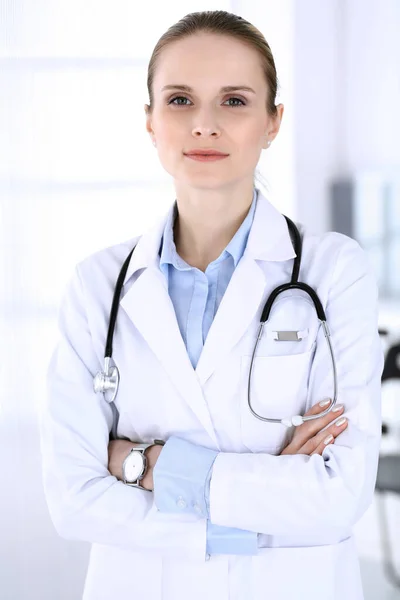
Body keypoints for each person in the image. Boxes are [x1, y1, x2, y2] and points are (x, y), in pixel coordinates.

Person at [39, 10, 384, 600]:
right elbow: (73, 499)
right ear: (149, 121)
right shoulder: (98, 284)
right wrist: (259, 501)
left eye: (233, 101)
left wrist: (142, 466)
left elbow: (337, 497)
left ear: (273, 122)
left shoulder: (334, 272)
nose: (204, 125)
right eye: (179, 100)